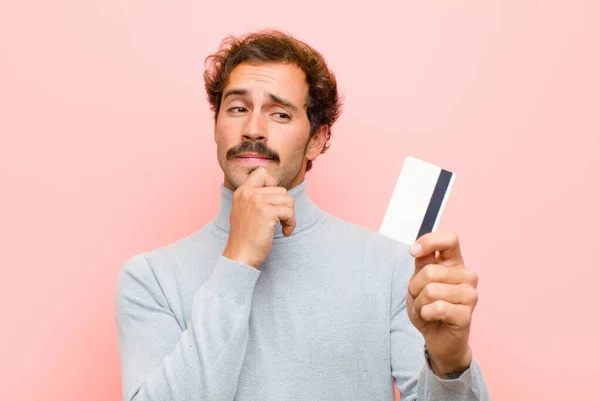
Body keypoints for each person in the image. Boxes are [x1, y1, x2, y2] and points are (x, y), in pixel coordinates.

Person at [114, 29, 491, 401]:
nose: (253, 129)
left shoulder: (391, 267)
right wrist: (238, 261)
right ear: (216, 126)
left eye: (279, 113)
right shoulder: (151, 280)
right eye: (238, 108)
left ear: (317, 139)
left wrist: (451, 363)